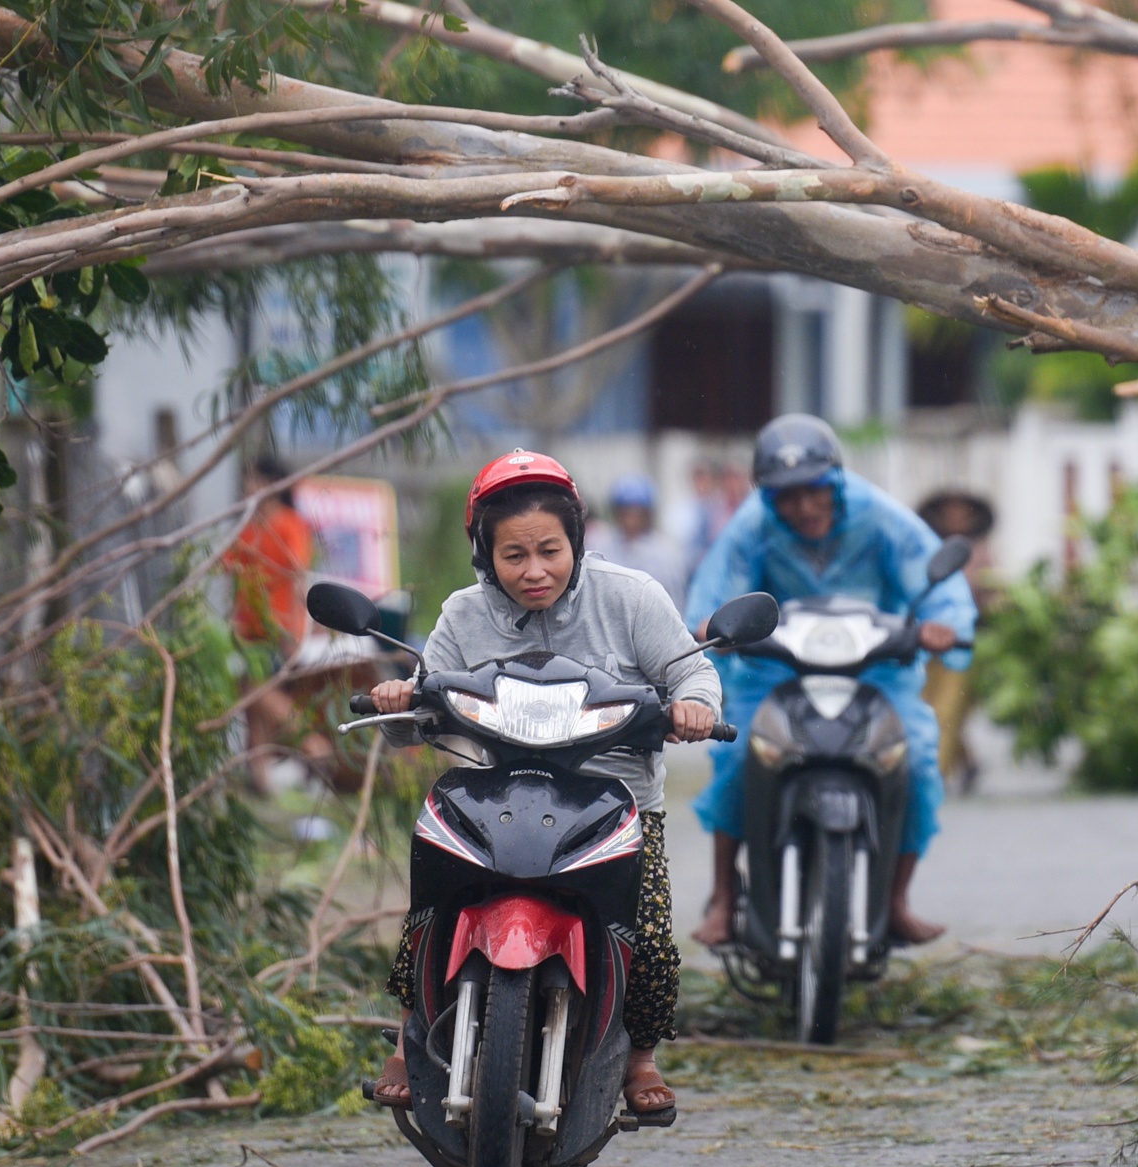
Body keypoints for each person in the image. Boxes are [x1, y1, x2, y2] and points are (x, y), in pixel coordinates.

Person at [365, 450, 720, 1116]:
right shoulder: (462, 614)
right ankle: (411, 1037)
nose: (535, 571)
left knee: (647, 933)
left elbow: (691, 672)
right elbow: (418, 711)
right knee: (431, 905)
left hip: (614, 800)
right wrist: (398, 699)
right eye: (514, 555)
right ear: (485, 554)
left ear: (577, 541)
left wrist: (694, 707)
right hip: (490, 793)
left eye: (550, 551)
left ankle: (640, 1057)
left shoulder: (632, 596)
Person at [685, 414, 977, 948]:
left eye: (814, 490)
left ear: (836, 480)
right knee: (738, 753)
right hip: (777, 668)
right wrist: (711, 624)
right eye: (786, 495)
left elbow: (933, 579)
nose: (803, 506)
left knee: (915, 758)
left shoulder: (880, 517)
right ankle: (724, 896)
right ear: (768, 496)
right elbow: (717, 591)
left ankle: (896, 899)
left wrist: (944, 624)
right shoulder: (752, 527)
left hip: (874, 668)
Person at [224, 455, 320, 793]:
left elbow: (297, 575)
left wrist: (293, 630)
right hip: (249, 629)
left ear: (269, 485)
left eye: (253, 479)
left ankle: (312, 742)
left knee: (255, 690)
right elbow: (229, 566)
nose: (247, 486)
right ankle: (260, 778)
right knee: (253, 704)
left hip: (277, 627)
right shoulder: (250, 526)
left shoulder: (289, 524)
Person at [916, 490, 997, 795]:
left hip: (965, 640)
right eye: (950, 512)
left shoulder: (981, 552)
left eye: (962, 512)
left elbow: (990, 594)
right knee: (926, 703)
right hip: (926, 637)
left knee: (950, 707)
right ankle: (963, 762)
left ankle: (932, 775)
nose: (956, 518)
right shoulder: (925, 547)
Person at [592, 473, 690, 610]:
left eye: (637, 513)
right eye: (626, 512)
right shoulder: (600, 547)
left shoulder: (666, 553)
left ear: (648, 514)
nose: (631, 520)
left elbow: (676, 601)